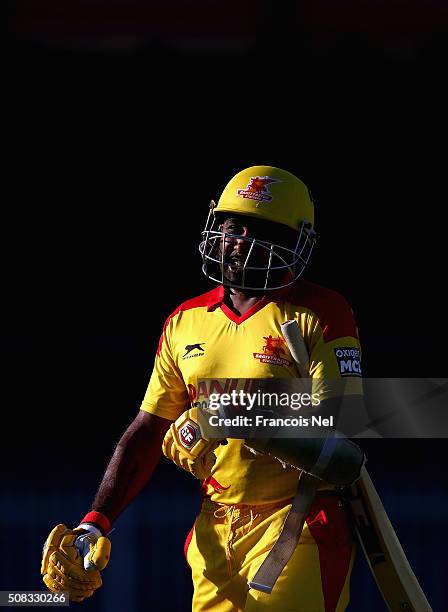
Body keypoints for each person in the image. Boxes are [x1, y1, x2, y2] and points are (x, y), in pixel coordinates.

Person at [41, 165, 364, 611]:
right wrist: (95, 522)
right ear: (217, 228)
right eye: (236, 226)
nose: (243, 241)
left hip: (299, 519)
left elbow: (343, 423)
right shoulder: (185, 320)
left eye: (265, 230)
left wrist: (223, 412)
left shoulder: (322, 311)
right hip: (214, 528)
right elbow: (149, 429)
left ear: (297, 242)